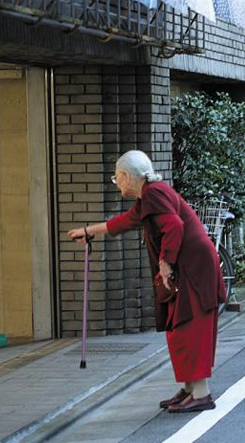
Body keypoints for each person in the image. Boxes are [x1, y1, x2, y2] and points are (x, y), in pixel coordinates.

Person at [68, 150, 226, 412]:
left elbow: (174, 227)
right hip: (188, 267)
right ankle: (189, 389)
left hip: (194, 270)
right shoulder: (149, 195)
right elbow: (123, 222)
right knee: (179, 327)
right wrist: (88, 232)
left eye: (116, 178)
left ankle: (201, 393)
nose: (116, 182)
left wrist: (165, 263)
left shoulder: (153, 193)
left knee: (190, 327)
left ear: (126, 176)